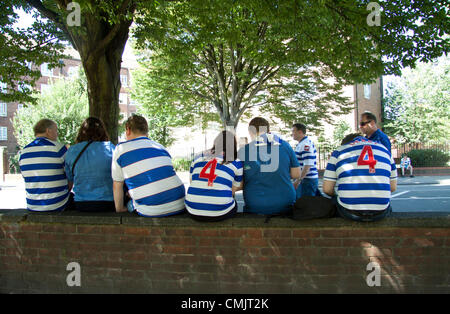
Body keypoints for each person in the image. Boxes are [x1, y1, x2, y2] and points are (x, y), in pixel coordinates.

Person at [111, 115, 185, 217]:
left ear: (128, 129)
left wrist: (120, 209)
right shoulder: (160, 147)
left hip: (152, 208)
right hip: (180, 202)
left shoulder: (120, 149)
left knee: (129, 203)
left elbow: (117, 185)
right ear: (146, 131)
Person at [322, 133, 397, 222]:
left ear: (345, 143)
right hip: (380, 212)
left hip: (349, 212)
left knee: (334, 201)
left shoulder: (339, 151)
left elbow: (327, 189)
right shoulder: (385, 151)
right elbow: (392, 187)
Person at [238, 117, 300, 215]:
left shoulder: (244, 151)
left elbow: (239, 184)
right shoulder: (285, 145)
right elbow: (296, 174)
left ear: (250, 131)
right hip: (285, 204)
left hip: (255, 205)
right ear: (268, 130)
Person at [185, 131, 243, 221]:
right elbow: (233, 190)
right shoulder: (236, 161)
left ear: (216, 142)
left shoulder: (198, 157)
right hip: (220, 211)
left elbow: (192, 182)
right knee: (233, 202)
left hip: (193, 208)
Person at [64, 117, 116, 212]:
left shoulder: (72, 151)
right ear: (103, 131)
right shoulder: (111, 148)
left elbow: (69, 183)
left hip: (81, 203)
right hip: (108, 203)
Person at [19, 119, 71, 212]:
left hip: (32, 205)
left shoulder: (23, 152)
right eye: (56, 131)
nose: (57, 134)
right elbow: (70, 175)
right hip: (58, 204)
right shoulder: (59, 148)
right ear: (48, 131)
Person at [291, 123, 319, 199]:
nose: (292, 134)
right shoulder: (302, 144)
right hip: (305, 180)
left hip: (306, 180)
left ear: (300, 132)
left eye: (293, 131)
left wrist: (298, 181)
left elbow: (307, 165)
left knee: (305, 205)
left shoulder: (305, 145)